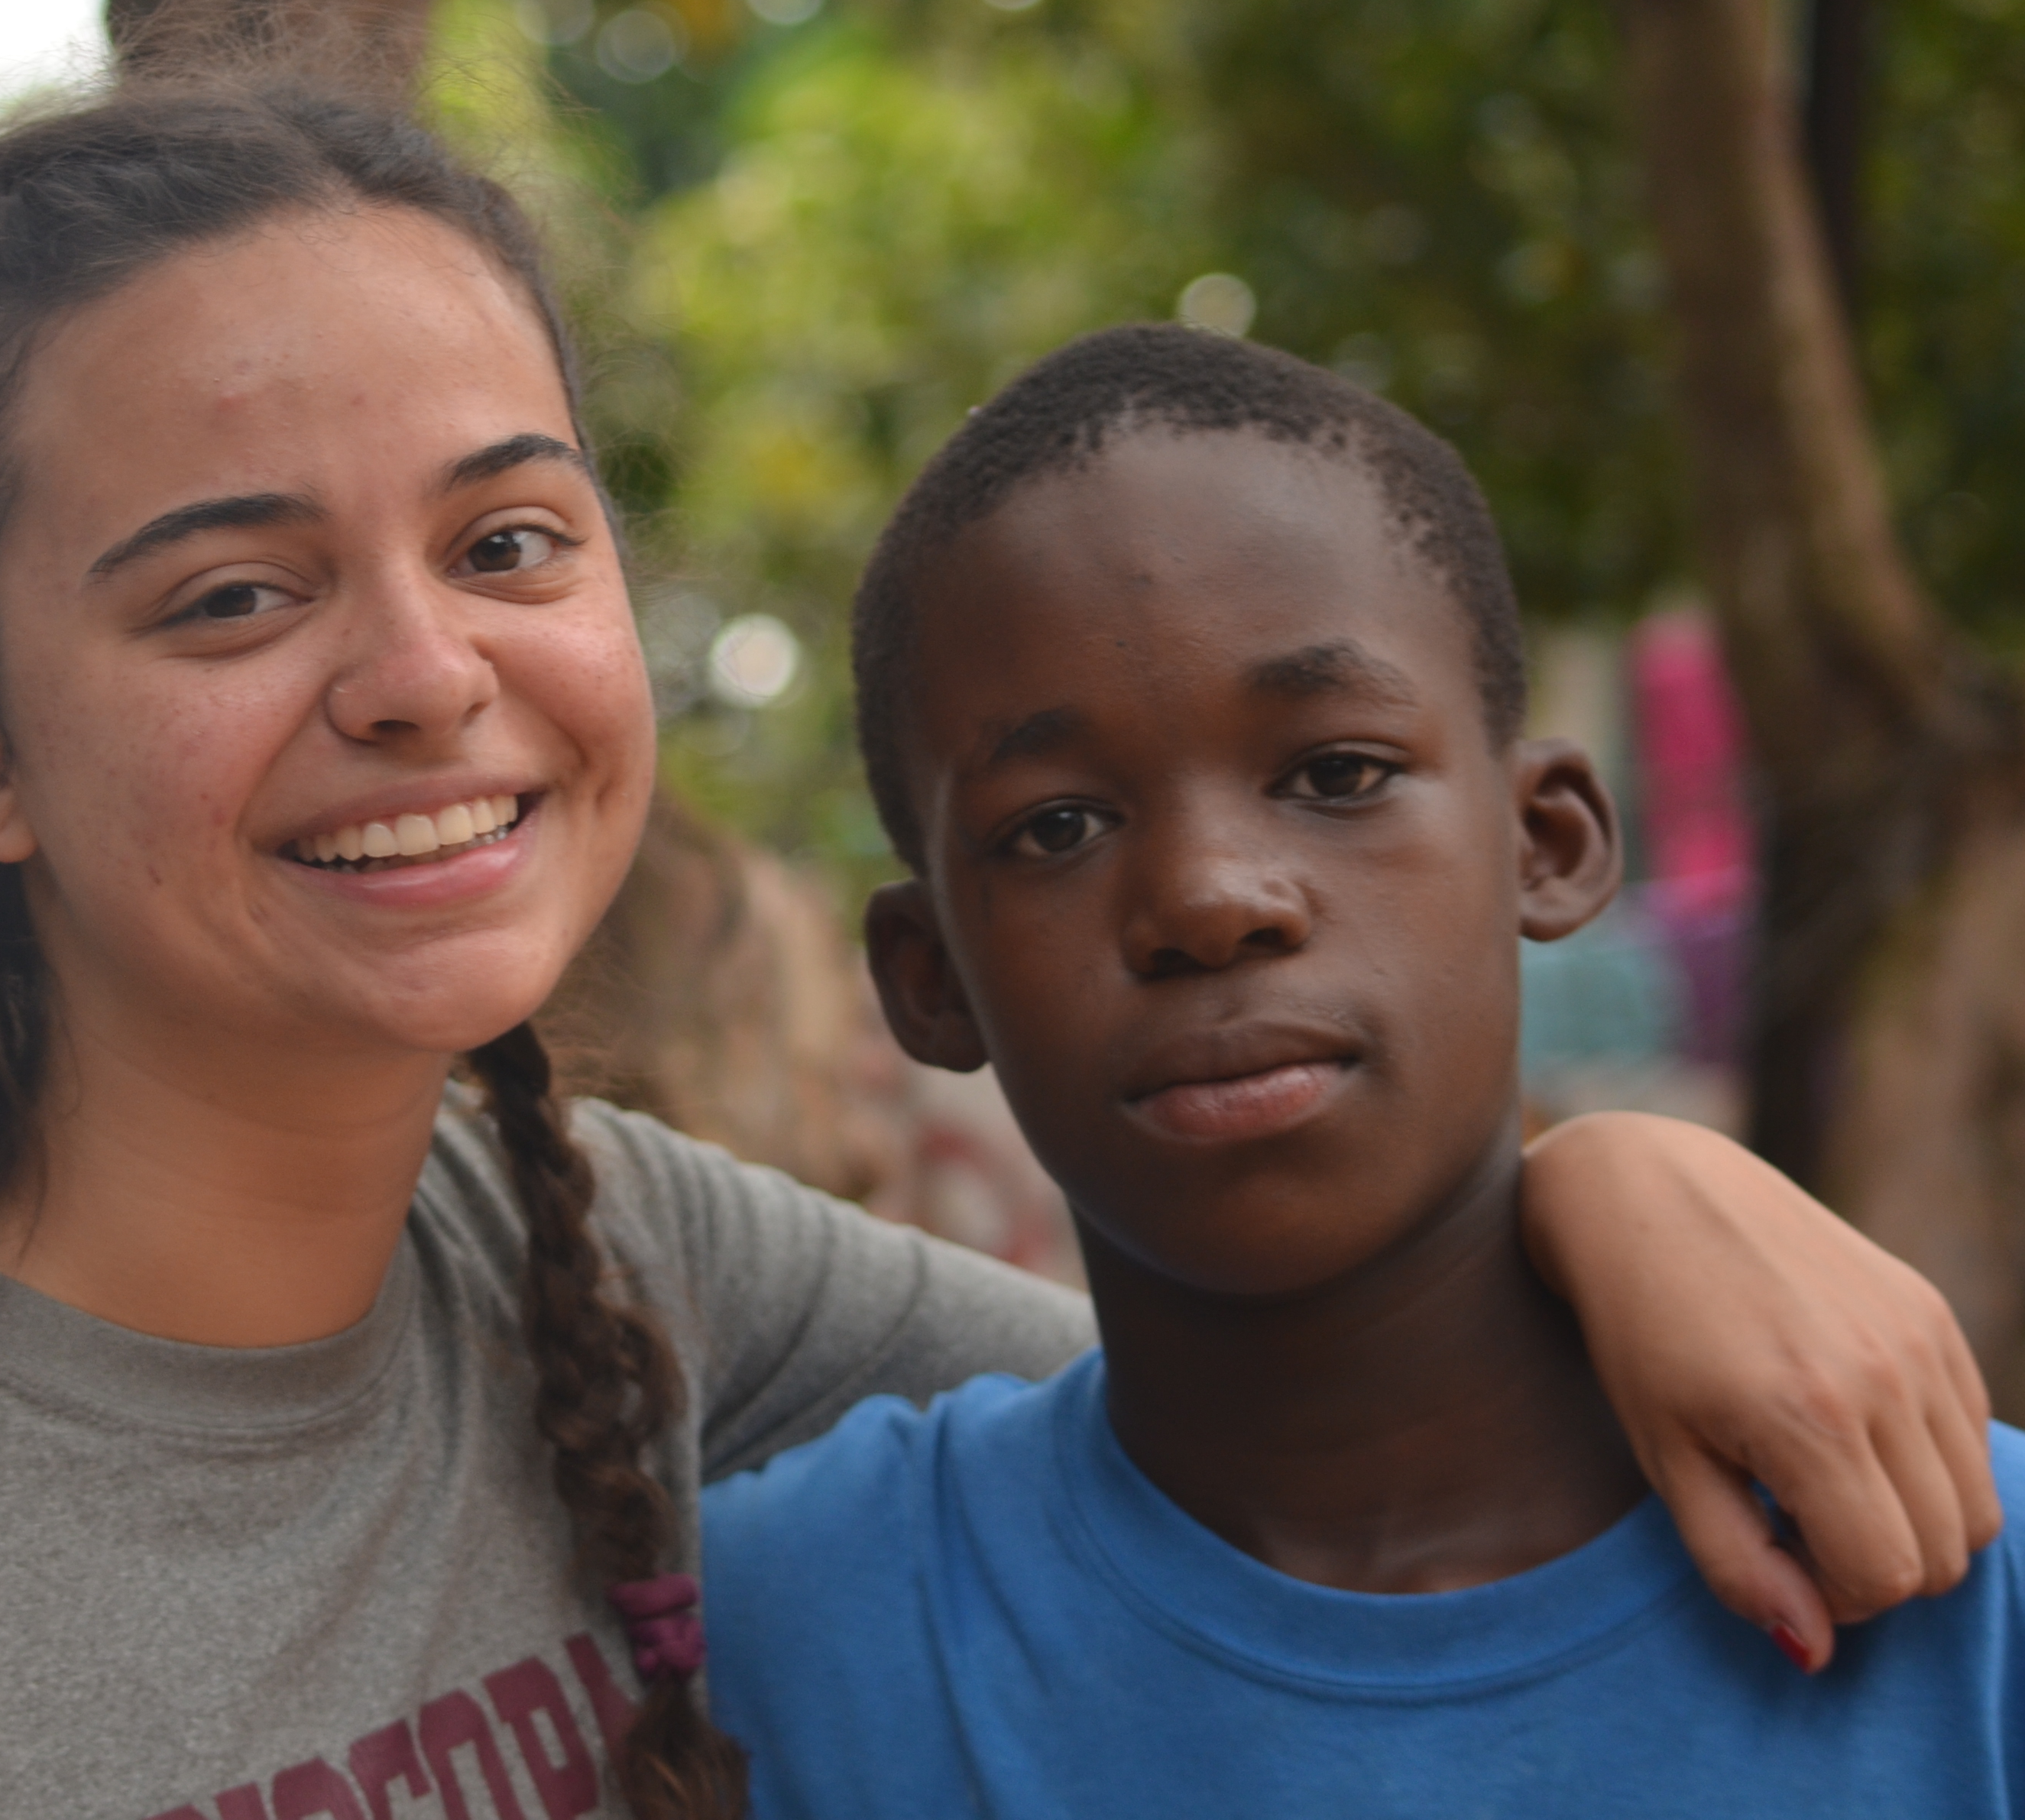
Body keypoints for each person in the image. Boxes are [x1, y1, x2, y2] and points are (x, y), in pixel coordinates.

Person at [0, 44, 1988, 1820]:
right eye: (231, 596)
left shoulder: (611, 1266)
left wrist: (1628, 1185)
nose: (424, 676)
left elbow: (1299, 1382)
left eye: (504, 539)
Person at [699, 322, 2023, 1818]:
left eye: (1339, 775)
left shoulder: (1962, 1585)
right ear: (931, 983)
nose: (1211, 898)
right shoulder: (785, 1635)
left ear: (1550, 844)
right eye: (1057, 827)